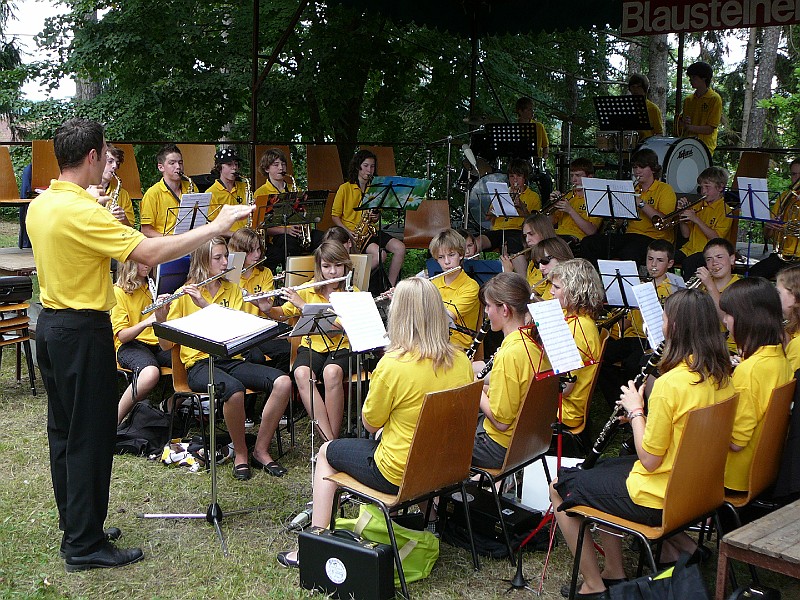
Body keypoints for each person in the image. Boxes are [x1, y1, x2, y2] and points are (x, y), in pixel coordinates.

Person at [27, 118, 253, 571]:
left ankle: (78, 525)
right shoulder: (83, 212)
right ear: (92, 157)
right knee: (91, 437)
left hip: (50, 327)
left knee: (64, 433)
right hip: (82, 330)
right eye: (105, 154)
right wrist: (217, 226)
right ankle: (84, 546)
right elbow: (148, 254)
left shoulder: (43, 204)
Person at [276, 277, 474, 568]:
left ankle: (315, 543)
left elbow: (370, 424)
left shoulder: (394, 364)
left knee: (327, 453)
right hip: (445, 465)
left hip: (398, 474)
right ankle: (430, 521)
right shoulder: (461, 360)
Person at [550, 288, 734, 598]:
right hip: (698, 490)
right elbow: (680, 431)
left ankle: (595, 584)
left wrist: (636, 411)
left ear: (674, 326)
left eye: (663, 318)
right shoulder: (723, 375)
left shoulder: (670, 383)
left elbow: (649, 459)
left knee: (559, 488)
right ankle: (614, 571)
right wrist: (643, 417)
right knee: (604, 470)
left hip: (661, 496)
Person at [157, 237, 292, 480]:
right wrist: (160, 316)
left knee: (283, 382)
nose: (225, 262)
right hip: (199, 364)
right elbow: (167, 346)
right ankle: (241, 454)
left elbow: (231, 331)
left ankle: (261, 450)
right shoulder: (183, 294)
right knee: (234, 391)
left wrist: (205, 304)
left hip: (231, 358)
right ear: (202, 261)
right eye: (218, 257)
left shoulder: (232, 289)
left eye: (225, 256)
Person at [272, 240, 355, 442]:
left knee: (331, 372)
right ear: (319, 268)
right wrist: (266, 307)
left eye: (338, 266)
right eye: (326, 266)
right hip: (311, 346)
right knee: (301, 373)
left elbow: (338, 328)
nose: (333, 272)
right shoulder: (308, 289)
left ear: (346, 266)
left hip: (341, 346)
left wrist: (303, 306)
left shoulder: (352, 292)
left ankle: (331, 442)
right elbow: (281, 314)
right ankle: (328, 440)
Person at [719, 278, 793, 492]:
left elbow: (735, 441)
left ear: (748, 318)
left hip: (733, 477)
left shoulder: (749, 370)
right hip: (763, 470)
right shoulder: (778, 357)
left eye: (729, 314)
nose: (724, 320)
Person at [471, 272, 551, 469]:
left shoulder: (510, 354)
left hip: (499, 446)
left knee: (436, 439)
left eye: (488, 306)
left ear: (505, 309)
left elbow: (500, 422)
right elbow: (514, 396)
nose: (487, 312)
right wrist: (485, 389)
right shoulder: (534, 342)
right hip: (529, 439)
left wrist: (473, 385)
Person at [598, 240, 680, 409]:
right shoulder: (637, 285)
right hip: (633, 336)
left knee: (632, 364)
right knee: (601, 357)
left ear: (670, 263)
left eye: (660, 260)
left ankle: (636, 406)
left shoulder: (672, 288)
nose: (653, 265)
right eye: (650, 259)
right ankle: (617, 402)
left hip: (652, 340)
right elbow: (628, 321)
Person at [580, 148, 676, 266]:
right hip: (630, 235)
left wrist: (640, 202)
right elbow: (621, 221)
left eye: (642, 167)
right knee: (589, 243)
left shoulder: (665, 189)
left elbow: (665, 221)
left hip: (653, 238)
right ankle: (594, 277)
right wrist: (617, 216)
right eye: (635, 167)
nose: (637, 171)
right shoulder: (633, 189)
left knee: (629, 251)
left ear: (653, 168)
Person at [331, 149, 406, 288]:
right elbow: (335, 216)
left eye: (372, 166)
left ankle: (390, 286)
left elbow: (375, 218)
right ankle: (353, 280)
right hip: (353, 233)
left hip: (370, 230)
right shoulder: (345, 188)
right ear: (357, 166)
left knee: (400, 248)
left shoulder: (377, 189)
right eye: (366, 166)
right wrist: (347, 231)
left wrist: (375, 216)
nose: (369, 170)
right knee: (380, 255)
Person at [111, 260, 171, 424]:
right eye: (141, 262)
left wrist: (164, 311)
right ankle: (114, 421)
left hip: (158, 342)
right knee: (151, 374)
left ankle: (170, 406)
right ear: (128, 264)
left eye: (149, 261)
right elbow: (122, 335)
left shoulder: (153, 286)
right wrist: (147, 322)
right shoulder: (118, 292)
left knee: (189, 361)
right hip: (130, 345)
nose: (148, 265)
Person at [549, 259, 604, 429]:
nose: (551, 291)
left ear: (575, 291)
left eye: (557, 287)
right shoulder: (578, 319)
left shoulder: (578, 329)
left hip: (565, 411)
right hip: (564, 405)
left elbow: (564, 388)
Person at [228, 227, 291, 373]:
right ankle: (252, 393)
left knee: (286, 350)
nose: (257, 254)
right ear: (238, 252)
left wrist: (257, 301)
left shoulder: (265, 273)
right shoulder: (230, 275)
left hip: (261, 330)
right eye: (251, 251)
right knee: (256, 358)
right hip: (238, 332)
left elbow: (267, 304)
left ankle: (274, 387)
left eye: (258, 249)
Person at [254, 148, 323, 270]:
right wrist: (285, 230)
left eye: (283, 164)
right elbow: (259, 225)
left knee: (325, 238)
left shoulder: (294, 188)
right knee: (289, 244)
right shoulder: (261, 193)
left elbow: (306, 215)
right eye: (276, 165)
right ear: (266, 168)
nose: (281, 168)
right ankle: (291, 280)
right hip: (278, 236)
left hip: (298, 233)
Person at [476, 159, 542, 273]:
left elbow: (534, 221)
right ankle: (474, 273)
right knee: (476, 242)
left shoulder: (533, 196)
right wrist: (498, 207)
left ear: (525, 177)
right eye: (512, 176)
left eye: (519, 176)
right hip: (498, 230)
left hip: (517, 230)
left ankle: (523, 281)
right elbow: (487, 217)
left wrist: (521, 206)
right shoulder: (501, 192)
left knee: (512, 245)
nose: (515, 180)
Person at [675, 166, 734, 279]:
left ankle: (690, 294)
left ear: (720, 187)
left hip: (708, 252)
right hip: (689, 249)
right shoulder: (698, 206)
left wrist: (696, 219)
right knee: (667, 257)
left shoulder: (726, 211)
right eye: (701, 187)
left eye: (707, 187)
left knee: (689, 263)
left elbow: (716, 238)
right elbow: (686, 234)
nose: (703, 191)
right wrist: (681, 215)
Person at [429, 229, 481, 350]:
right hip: (433, 340)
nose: (446, 262)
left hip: (457, 346)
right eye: (441, 257)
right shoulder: (433, 283)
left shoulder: (470, 286)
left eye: (451, 255)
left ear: (461, 255)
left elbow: (446, 317)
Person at [749, 158, 800, 279]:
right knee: (753, 275)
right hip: (782, 256)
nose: (797, 178)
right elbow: (767, 236)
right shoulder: (784, 197)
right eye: (793, 174)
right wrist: (769, 227)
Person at [695, 238, 740, 354]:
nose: (714, 263)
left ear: (732, 259)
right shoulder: (700, 287)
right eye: (709, 259)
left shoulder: (741, 288)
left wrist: (710, 286)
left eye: (719, 257)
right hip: (702, 345)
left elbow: (728, 323)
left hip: (729, 350)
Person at [140, 144, 193, 237]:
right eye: (172, 163)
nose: (178, 167)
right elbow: (146, 230)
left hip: (188, 240)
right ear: (161, 167)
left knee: (217, 245)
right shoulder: (152, 194)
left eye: (180, 163)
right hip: (165, 244)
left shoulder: (190, 186)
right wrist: (171, 240)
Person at [550, 157, 603, 250]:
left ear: (590, 177)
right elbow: (550, 223)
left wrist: (570, 210)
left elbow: (591, 231)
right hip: (556, 234)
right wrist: (552, 206)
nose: (574, 179)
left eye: (578, 175)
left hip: (577, 239)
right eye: (572, 175)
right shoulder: (567, 196)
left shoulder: (596, 199)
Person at [677, 61, 723, 155]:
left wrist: (690, 127)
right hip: (687, 145)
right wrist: (682, 123)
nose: (690, 80)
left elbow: (710, 129)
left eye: (694, 77)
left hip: (705, 148)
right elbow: (682, 125)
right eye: (690, 77)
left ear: (704, 78)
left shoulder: (714, 99)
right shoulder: (688, 100)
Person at [501, 213, 557, 285]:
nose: (527, 240)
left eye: (531, 234)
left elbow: (527, 293)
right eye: (525, 236)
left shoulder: (548, 261)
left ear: (544, 232)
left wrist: (508, 273)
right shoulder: (533, 261)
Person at [86, 143, 134, 227]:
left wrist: (124, 219)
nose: (115, 166)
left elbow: (131, 229)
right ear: (98, 161)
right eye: (110, 161)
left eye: (117, 163)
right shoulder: (83, 189)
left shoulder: (123, 194)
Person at [206, 147, 249, 236]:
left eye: (236, 164)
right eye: (229, 165)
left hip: (246, 235)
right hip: (227, 238)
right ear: (219, 167)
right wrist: (235, 235)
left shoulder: (245, 187)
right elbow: (212, 226)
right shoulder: (211, 193)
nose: (234, 168)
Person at [530, 236, 574, 300]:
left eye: (544, 261)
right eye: (537, 264)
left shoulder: (574, 285)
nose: (540, 268)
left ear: (560, 256)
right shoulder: (549, 282)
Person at [777, 264, 800, 371]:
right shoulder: (791, 332)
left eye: (779, 293)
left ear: (794, 296)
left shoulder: (797, 345)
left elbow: (786, 384)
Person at [628, 73, 664, 141]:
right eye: (633, 87)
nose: (635, 90)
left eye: (638, 87)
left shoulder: (653, 109)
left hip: (645, 147)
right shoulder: (627, 106)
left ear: (645, 89)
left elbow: (659, 133)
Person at [515, 96, 549, 160]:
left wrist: (543, 159)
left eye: (532, 109)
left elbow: (545, 147)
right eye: (529, 109)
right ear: (520, 111)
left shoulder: (539, 126)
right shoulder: (513, 128)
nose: (532, 112)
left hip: (535, 163)